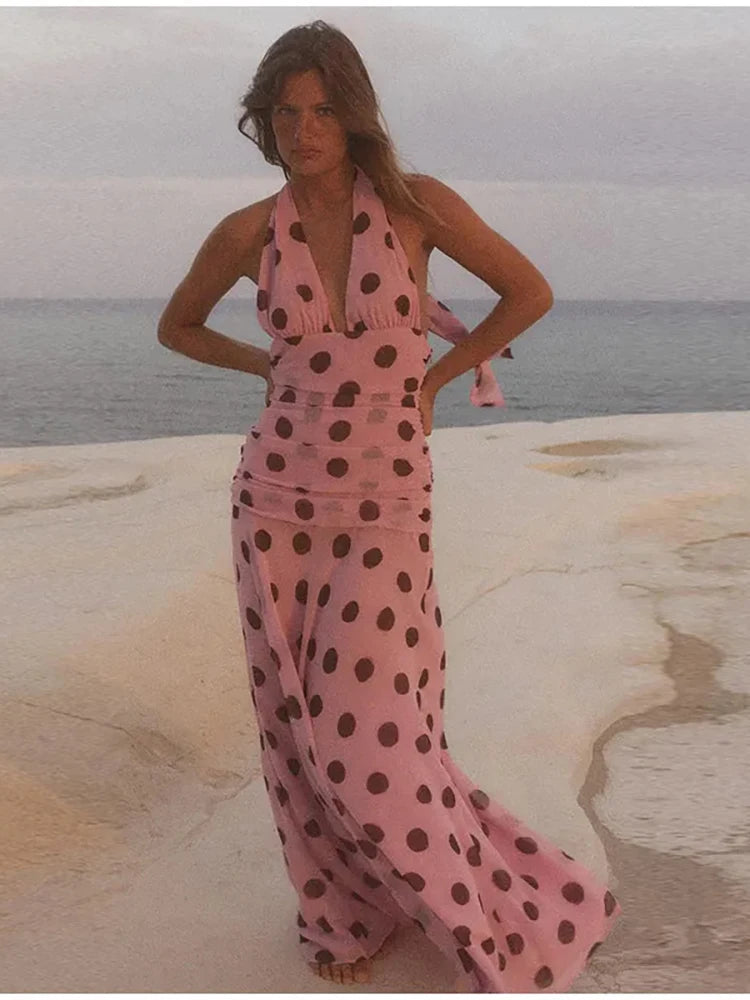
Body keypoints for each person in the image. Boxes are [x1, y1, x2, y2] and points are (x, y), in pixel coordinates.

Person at [157, 19, 621, 994]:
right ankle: (344, 911)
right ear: (265, 120)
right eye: (287, 112)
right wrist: (268, 366)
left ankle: (485, 917)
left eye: (324, 109)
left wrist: (437, 377)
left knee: (376, 733)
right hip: (276, 501)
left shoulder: (416, 208)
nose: (304, 130)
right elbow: (178, 327)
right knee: (295, 728)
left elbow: (528, 292)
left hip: (384, 501)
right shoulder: (247, 232)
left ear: (356, 114)